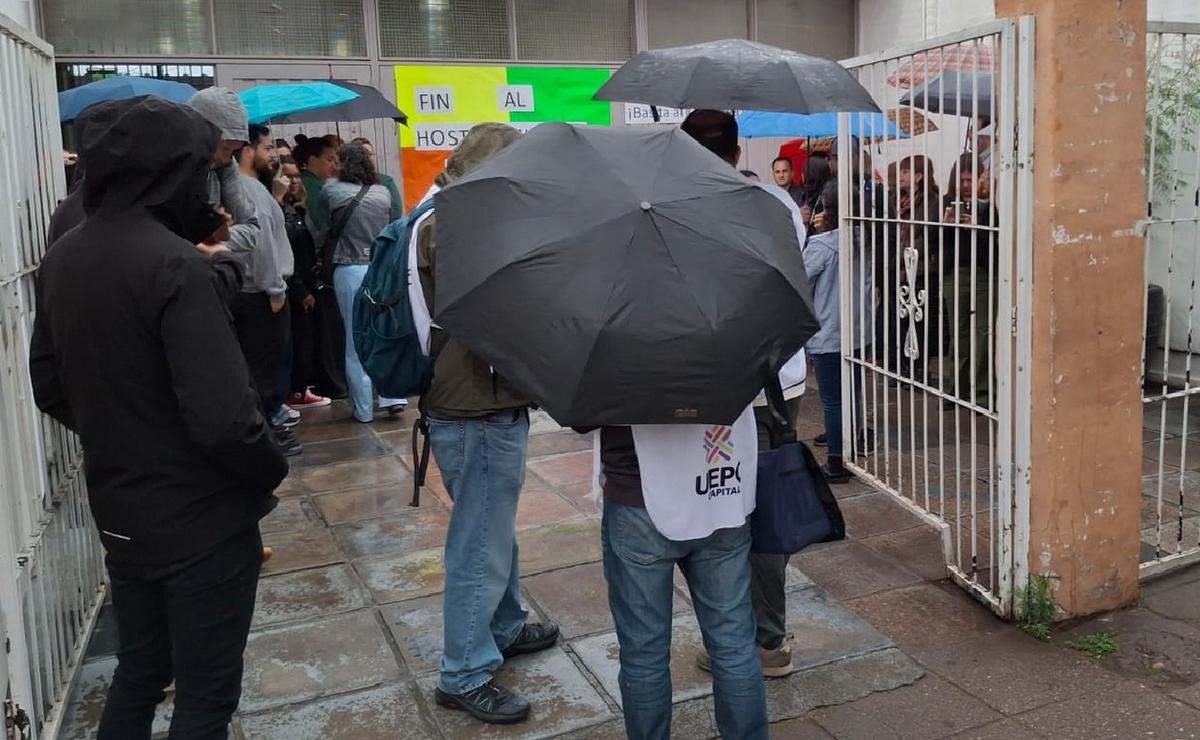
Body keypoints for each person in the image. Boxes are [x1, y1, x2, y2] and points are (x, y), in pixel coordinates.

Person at [29, 97, 287, 740]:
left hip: (121, 506)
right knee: (205, 697)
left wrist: (124, 432)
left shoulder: (65, 255)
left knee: (140, 668)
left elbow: (49, 384)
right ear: (171, 171)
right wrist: (268, 468)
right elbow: (227, 420)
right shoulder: (176, 265)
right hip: (202, 519)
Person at [414, 124, 560, 725]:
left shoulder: (442, 215)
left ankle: (503, 626)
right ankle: (464, 673)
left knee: (492, 529)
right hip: (472, 406)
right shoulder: (453, 226)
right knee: (478, 541)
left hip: (477, 400)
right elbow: (496, 315)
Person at [309, 142, 407, 423]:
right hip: (380, 268)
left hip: (348, 268)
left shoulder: (331, 192)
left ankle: (363, 410)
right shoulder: (383, 192)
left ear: (343, 163)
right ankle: (392, 395)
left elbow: (320, 231)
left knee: (354, 339)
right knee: (383, 331)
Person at [233, 125, 300, 456]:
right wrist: (275, 291)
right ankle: (267, 436)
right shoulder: (248, 190)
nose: (273, 154)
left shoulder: (250, 188)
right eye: (267, 147)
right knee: (264, 372)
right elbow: (260, 246)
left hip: (258, 290)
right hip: (261, 294)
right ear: (247, 151)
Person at [803, 180, 874, 482]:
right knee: (853, 393)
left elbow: (801, 280)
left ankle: (837, 459)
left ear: (827, 209)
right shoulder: (864, 237)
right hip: (858, 330)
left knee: (833, 400)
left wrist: (815, 234)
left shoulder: (822, 245)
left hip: (829, 330)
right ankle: (852, 445)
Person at [941, 155, 997, 408]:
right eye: (961, 180)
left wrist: (978, 227)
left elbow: (996, 244)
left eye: (969, 180)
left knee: (984, 333)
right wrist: (946, 225)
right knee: (958, 331)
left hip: (983, 272)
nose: (965, 185)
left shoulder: (987, 207)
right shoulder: (947, 203)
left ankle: (983, 394)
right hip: (956, 272)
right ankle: (957, 388)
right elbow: (934, 243)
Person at [886, 155, 941, 379]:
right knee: (900, 318)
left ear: (919, 176)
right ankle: (902, 366)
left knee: (919, 320)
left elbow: (927, 237)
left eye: (906, 172)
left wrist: (904, 255)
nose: (901, 176)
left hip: (920, 268)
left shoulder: (932, 202)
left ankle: (919, 369)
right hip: (899, 266)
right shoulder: (897, 200)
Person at [187, 87, 259, 254]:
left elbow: (252, 229)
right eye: (226, 148)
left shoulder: (225, 165)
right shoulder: (167, 166)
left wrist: (213, 240)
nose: (227, 158)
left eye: (233, 151)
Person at [352, 136, 403, 219]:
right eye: (365, 154)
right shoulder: (344, 182)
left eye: (371, 154)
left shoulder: (386, 181)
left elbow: (396, 211)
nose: (369, 158)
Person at [294, 135, 339, 214]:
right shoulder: (312, 186)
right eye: (329, 160)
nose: (334, 166)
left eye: (335, 162)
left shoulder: (310, 181)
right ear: (312, 160)